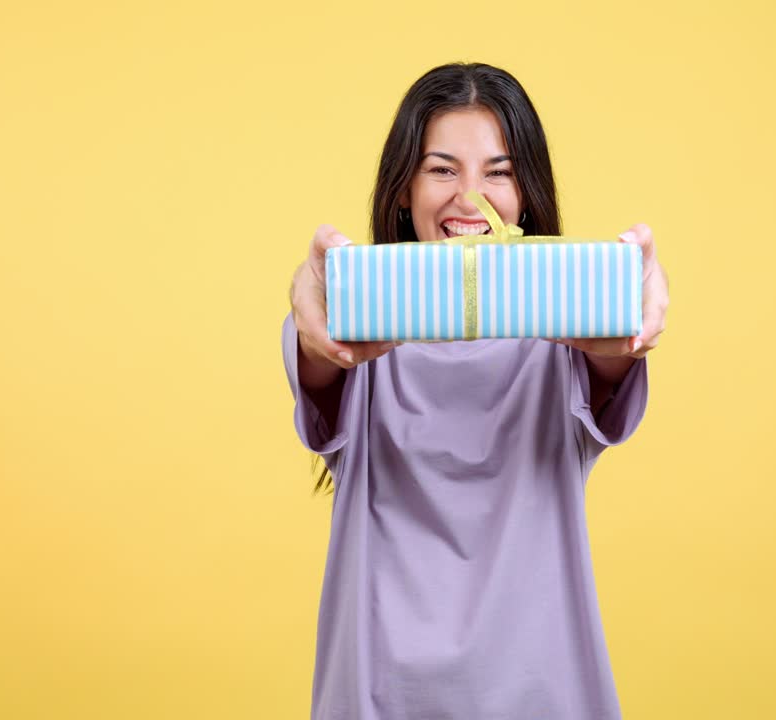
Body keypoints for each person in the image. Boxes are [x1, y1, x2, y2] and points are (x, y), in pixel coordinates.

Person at [282, 62, 669, 720]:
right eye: (442, 169)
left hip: (539, 690)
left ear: (526, 192)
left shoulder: (563, 336)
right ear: (403, 187)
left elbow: (614, 359)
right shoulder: (360, 327)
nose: (470, 197)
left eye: (499, 171)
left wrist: (631, 314)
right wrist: (312, 306)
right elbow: (320, 359)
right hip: (381, 693)